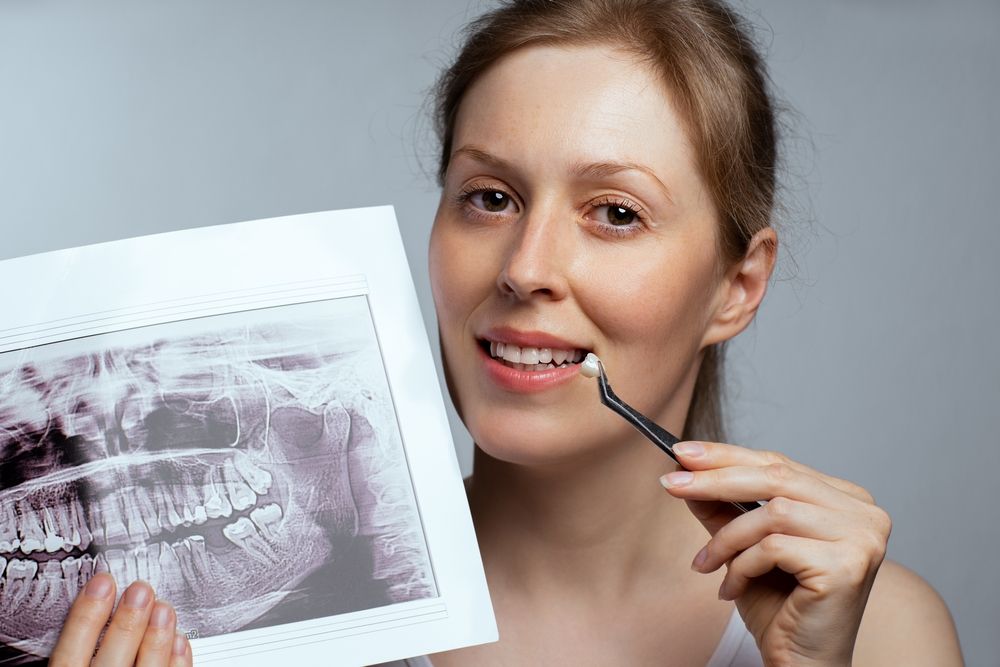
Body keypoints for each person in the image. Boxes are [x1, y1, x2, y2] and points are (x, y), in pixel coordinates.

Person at [49, 1, 963, 665]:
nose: (525, 265)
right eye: (489, 198)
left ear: (738, 284)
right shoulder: (226, 629)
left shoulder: (881, 635)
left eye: (613, 212)